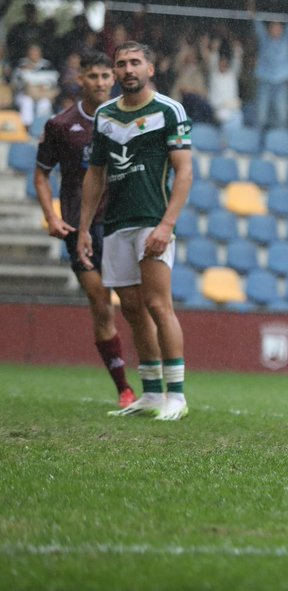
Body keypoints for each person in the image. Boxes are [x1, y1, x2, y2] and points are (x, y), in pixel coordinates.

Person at [76, 42, 193, 421]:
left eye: (135, 63)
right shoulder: (106, 116)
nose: (128, 69)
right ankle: (152, 393)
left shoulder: (169, 109)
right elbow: (96, 175)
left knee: (159, 305)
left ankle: (177, 395)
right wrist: (83, 228)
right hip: (115, 225)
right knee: (131, 310)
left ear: (150, 68)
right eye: (121, 64)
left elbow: (185, 172)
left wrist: (167, 225)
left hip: (152, 221)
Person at [33, 51, 135, 410]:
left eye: (107, 76)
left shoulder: (129, 117)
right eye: (94, 76)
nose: (102, 83)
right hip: (80, 226)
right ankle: (124, 388)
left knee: (136, 304)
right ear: (81, 80)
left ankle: (157, 380)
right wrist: (51, 216)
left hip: (121, 223)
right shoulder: (61, 125)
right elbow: (42, 174)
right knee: (101, 303)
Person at [248, 0, 288, 131]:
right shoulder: (264, 39)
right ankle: (258, 142)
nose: (277, 30)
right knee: (261, 115)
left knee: (282, 115)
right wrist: (251, 7)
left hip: (281, 83)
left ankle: (280, 143)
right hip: (265, 82)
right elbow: (256, 22)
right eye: (274, 28)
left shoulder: (286, 39)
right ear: (269, 30)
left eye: (279, 28)